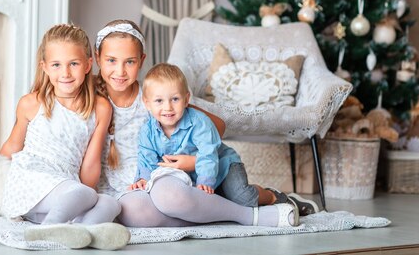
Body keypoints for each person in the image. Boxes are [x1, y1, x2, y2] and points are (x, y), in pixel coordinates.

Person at [93, 20, 311, 228]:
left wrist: (194, 161)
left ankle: (247, 213)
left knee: (173, 196)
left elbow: (217, 126)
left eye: (129, 61)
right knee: (132, 214)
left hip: (173, 179)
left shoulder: (157, 95)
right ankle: (217, 211)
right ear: (97, 58)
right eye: (111, 60)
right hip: (138, 185)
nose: (120, 71)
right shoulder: (92, 99)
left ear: (141, 60)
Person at [0, 23, 130, 250]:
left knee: (111, 203)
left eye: (74, 64)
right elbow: (11, 147)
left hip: (67, 188)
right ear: (45, 67)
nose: (66, 73)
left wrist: (85, 192)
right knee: (82, 193)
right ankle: (45, 231)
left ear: (88, 64)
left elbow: (90, 167)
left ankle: (80, 232)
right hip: (31, 182)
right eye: (57, 65)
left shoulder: (100, 108)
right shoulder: (31, 103)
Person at [132, 63, 297, 214]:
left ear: (186, 99)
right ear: (147, 103)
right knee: (200, 201)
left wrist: (205, 181)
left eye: (175, 99)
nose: (167, 107)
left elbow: (208, 152)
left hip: (224, 166)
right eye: (159, 101)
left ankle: (271, 195)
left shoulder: (199, 122)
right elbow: (147, 158)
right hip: (192, 175)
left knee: (243, 198)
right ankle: (219, 191)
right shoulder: (147, 132)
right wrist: (143, 179)